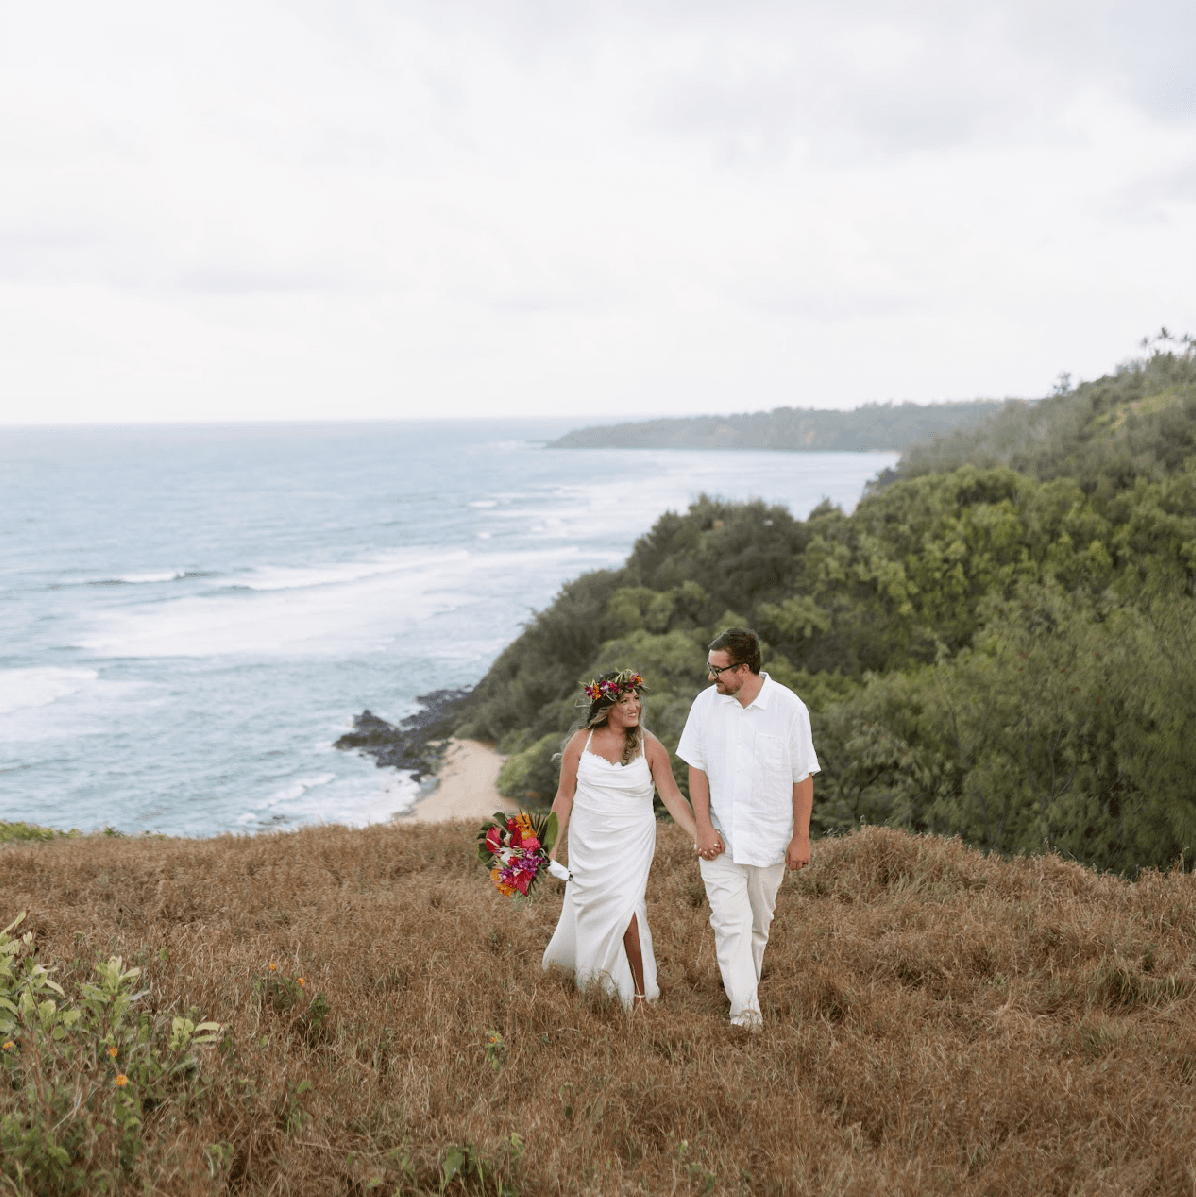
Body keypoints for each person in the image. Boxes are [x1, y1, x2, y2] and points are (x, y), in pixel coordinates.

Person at [676, 627, 820, 1030]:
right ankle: (745, 1013)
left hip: (771, 841)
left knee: (757, 926)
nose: (710, 677)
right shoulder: (705, 705)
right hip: (720, 841)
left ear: (743, 669)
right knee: (729, 923)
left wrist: (801, 837)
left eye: (717, 670)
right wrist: (702, 827)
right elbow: (696, 768)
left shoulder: (790, 708)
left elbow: (802, 777)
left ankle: (743, 993)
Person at [543, 668, 707, 1012]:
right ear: (606, 706)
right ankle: (596, 979)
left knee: (626, 907)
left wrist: (699, 834)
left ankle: (641, 996)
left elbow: (673, 797)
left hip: (632, 841)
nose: (634, 706)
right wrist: (552, 845)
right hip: (589, 841)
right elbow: (563, 797)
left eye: (636, 699)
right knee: (593, 911)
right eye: (624, 700)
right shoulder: (580, 742)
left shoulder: (651, 746)